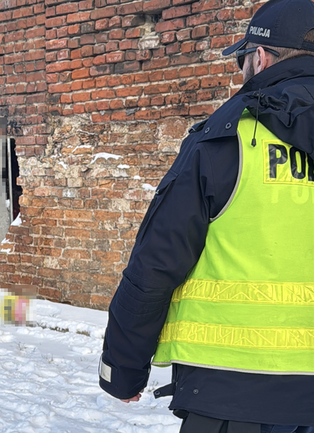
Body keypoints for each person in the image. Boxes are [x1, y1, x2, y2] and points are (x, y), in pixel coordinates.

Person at [99, 0, 314, 432]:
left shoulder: (228, 136)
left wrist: (122, 368)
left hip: (232, 394)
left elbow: (157, 262)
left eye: (243, 59)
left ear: (261, 57)